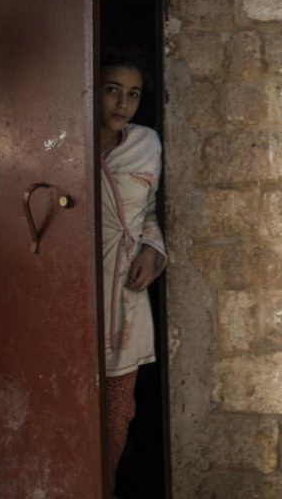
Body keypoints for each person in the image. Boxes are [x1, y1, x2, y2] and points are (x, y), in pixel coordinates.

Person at [98, 47, 166, 496]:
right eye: (112, 90)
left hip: (125, 293)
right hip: (79, 289)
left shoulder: (147, 145)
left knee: (118, 411)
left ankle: (106, 486)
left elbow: (150, 214)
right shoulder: (66, 137)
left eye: (134, 94)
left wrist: (150, 251)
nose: (123, 104)